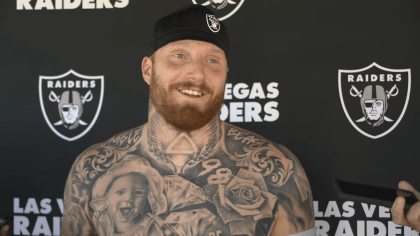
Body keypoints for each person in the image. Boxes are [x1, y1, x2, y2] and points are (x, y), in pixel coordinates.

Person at [59, 4, 316, 236]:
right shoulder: (92, 169)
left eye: (212, 60)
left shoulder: (279, 172)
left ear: (225, 74)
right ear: (149, 69)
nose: (197, 74)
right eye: (179, 56)